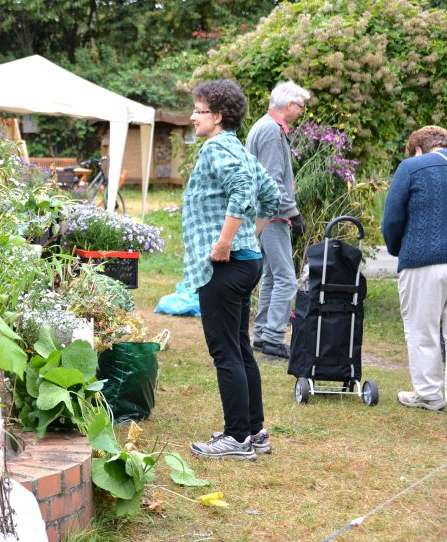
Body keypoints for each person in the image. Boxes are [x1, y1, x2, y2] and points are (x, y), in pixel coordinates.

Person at [183, 80, 281, 460]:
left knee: (226, 352)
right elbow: (271, 197)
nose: (192, 117)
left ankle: (236, 438)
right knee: (240, 348)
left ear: (218, 116)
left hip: (225, 266)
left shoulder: (216, 148)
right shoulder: (238, 148)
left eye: (199, 110)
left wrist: (226, 242)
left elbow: (243, 191)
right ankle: (255, 432)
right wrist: (248, 239)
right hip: (247, 262)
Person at [382, 125, 447, 413]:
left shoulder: (413, 167)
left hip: (423, 260)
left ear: (419, 149)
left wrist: (399, 249)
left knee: (423, 331)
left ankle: (430, 395)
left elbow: (392, 219)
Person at [246, 80, 311, 358]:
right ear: (288, 105)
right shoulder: (272, 131)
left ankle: (262, 335)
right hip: (271, 216)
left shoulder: (266, 126)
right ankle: (272, 339)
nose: (302, 111)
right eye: (301, 105)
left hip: (265, 215)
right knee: (286, 278)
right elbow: (272, 181)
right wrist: (293, 212)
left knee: (272, 276)